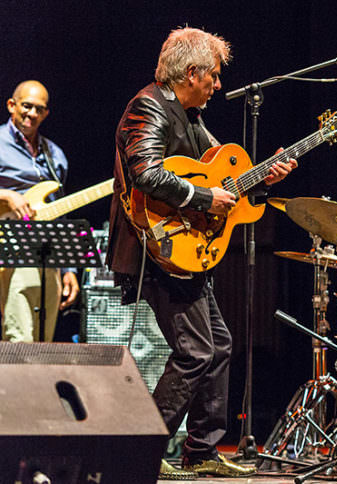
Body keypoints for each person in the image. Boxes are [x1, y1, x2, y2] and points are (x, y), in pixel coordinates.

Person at [105, 27, 297, 480]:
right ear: (191, 73)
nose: (217, 85)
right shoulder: (148, 107)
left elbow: (220, 170)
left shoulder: (188, 115)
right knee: (194, 352)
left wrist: (262, 177)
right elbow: (146, 173)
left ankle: (201, 450)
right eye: (212, 76)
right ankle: (144, 451)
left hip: (186, 252)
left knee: (219, 345)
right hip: (158, 248)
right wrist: (203, 199)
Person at [0, 80, 79, 342]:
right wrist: (6, 194)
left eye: (39, 109)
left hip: (49, 254)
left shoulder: (55, 155)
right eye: (26, 106)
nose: (32, 113)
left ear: (46, 114)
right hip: (11, 251)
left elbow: (61, 213)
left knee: (43, 343)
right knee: (19, 339)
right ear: (12, 105)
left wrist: (69, 269)